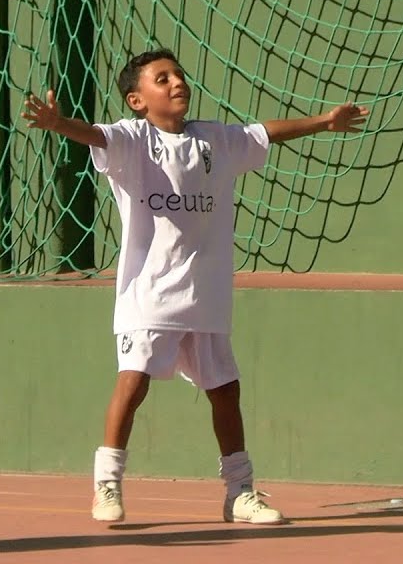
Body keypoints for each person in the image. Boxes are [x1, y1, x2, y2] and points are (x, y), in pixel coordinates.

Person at [22, 49, 367, 525]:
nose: (176, 83)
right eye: (162, 79)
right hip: (150, 294)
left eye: (179, 76)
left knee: (225, 391)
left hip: (204, 295)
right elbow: (94, 134)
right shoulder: (130, 140)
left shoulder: (215, 140)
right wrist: (59, 124)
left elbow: (264, 132)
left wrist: (323, 122)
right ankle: (107, 482)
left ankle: (240, 493)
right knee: (134, 381)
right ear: (137, 100)